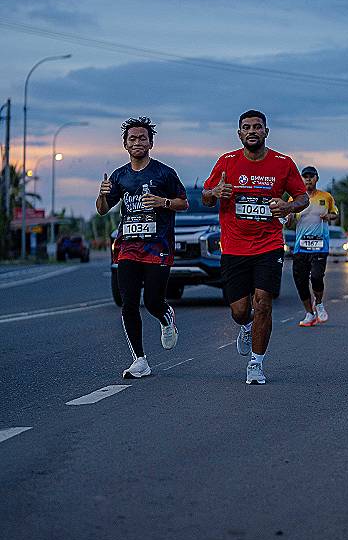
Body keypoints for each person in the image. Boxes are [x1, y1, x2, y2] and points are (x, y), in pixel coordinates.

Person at [202, 109, 308, 385]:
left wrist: (288, 206)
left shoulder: (283, 163)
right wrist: (215, 192)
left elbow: (302, 197)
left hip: (268, 245)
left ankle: (256, 363)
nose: (252, 131)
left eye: (257, 127)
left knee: (263, 303)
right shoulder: (226, 162)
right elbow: (206, 197)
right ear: (239, 134)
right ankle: (246, 326)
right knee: (239, 311)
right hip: (234, 247)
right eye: (247, 127)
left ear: (266, 132)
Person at [96, 116, 188, 379]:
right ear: (125, 144)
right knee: (129, 303)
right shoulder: (119, 176)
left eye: (142, 138)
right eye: (132, 138)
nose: (137, 142)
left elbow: (183, 203)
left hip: (158, 246)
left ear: (151, 143)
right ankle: (140, 360)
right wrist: (102, 194)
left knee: (153, 302)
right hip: (128, 246)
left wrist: (163, 202)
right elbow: (102, 210)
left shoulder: (164, 173)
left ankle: (165, 315)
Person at [291, 166, 338, 327]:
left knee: (317, 277)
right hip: (300, 247)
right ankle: (309, 314)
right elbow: (289, 221)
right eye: (305, 176)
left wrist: (328, 216)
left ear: (316, 178)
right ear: (301, 179)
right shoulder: (295, 198)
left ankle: (318, 303)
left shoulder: (326, 197)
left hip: (320, 245)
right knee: (301, 281)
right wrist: (288, 217)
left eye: (311, 176)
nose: (308, 179)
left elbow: (335, 214)